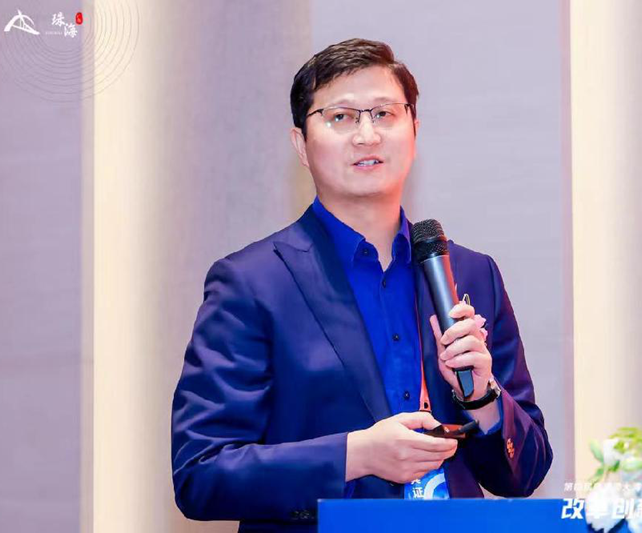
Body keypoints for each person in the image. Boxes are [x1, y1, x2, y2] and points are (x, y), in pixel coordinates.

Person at [171, 38, 552, 532]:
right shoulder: (252, 283)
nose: (367, 135)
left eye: (384, 114)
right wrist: (355, 455)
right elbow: (202, 473)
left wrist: (483, 397)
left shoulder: (472, 274)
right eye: (341, 117)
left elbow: (526, 472)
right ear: (301, 145)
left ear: (414, 129)